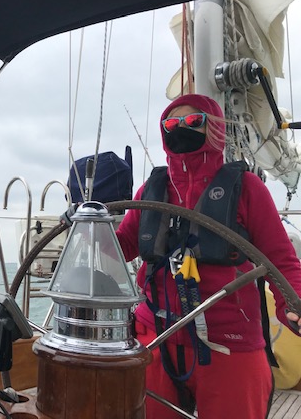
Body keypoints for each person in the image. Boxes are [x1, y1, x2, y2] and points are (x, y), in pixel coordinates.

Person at [114, 94, 301, 418]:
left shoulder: (247, 188)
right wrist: (88, 225)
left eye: (193, 121)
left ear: (213, 128)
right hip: (155, 334)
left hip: (228, 338)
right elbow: (121, 246)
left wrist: (293, 304)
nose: (180, 128)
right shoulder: (151, 191)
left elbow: (281, 260)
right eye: (171, 124)